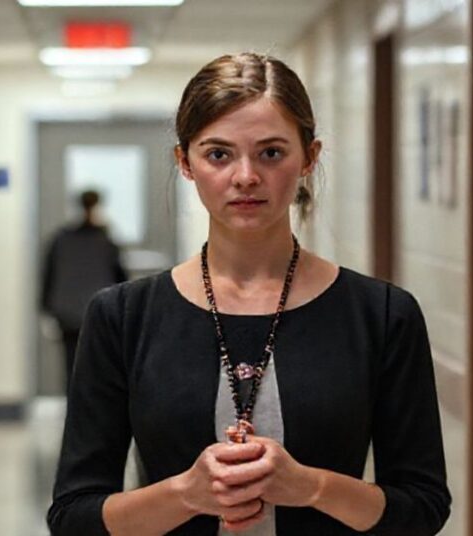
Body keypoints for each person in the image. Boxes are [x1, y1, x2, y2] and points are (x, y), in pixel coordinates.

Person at [47, 53, 451, 535]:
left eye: (271, 153)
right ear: (185, 163)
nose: (245, 177)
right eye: (218, 153)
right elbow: (74, 517)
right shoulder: (122, 316)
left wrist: (311, 486)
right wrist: (187, 494)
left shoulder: (382, 315)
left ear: (309, 157)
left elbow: (422, 509)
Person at [41, 190, 128, 395]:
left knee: (72, 367)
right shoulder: (105, 241)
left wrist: (46, 309)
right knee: (100, 368)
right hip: (99, 314)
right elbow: (120, 279)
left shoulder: (61, 239)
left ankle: (75, 412)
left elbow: (48, 276)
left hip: (68, 314)